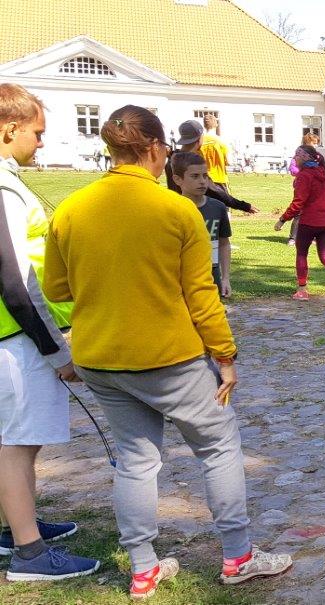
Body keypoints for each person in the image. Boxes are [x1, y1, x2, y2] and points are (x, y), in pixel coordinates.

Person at [43, 105, 293, 598]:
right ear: (156, 149)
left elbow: (56, 287)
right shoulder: (177, 210)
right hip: (168, 358)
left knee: (136, 461)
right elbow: (201, 295)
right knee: (218, 445)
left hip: (100, 358)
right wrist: (225, 356)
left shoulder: (71, 208)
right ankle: (238, 556)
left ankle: (143, 568)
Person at [0, 83, 100, 582]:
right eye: (36, 132)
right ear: (9, 129)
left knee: (17, 439)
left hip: (16, 337)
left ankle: (14, 524)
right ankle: (29, 552)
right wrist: (56, 350)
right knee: (18, 443)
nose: (41, 142)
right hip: (17, 340)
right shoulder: (3, 189)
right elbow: (15, 280)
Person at [274, 145, 325, 304]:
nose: (294, 158)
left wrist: (282, 219)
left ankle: (302, 290)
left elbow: (298, 202)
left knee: (301, 254)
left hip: (309, 222)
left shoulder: (304, 176)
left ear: (305, 158)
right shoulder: (323, 173)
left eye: (297, 155)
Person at [171, 153, 232, 297]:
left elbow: (224, 243)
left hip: (211, 277)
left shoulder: (218, 207)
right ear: (178, 179)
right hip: (181, 279)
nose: (202, 182)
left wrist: (225, 278)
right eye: (195, 176)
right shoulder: (171, 209)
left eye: (205, 176)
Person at [166, 120, 258, 215]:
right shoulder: (193, 163)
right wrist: (244, 206)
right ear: (199, 138)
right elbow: (215, 191)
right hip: (193, 213)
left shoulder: (171, 160)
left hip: (176, 211)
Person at [285, 132, 322, 245]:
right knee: (298, 212)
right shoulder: (299, 155)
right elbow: (293, 169)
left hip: (315, 188)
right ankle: (293, 238)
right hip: (302, 187)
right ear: (307, 143)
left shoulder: (318, 157)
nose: (316, 146)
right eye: (314, 143)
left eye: (317, 143)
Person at [199, 114, 230, 192]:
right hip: (219, 179)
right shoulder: (221, 141)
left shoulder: (199, 142)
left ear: (204, 125)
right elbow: (229, 162)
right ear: (216, 124)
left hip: (204, 179)